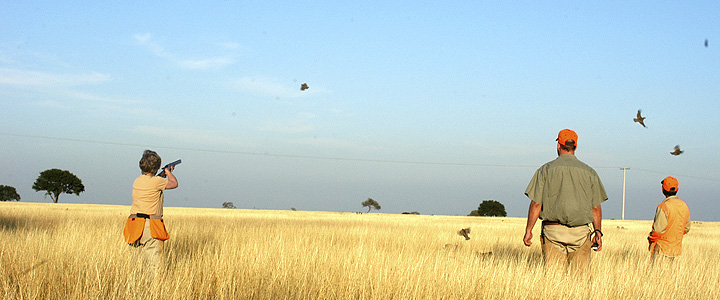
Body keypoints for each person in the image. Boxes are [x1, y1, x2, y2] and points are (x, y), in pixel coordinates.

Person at [523, 129, 608, 273]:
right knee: (580, 282)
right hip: (580, 233)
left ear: (558, 146)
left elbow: (536, 204)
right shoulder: (589, 172)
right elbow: (595, 208)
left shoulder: (545, 170)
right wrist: (598, 232)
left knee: (553, 281)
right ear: (575, 146)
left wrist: (528, 230)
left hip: (552, 232)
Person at [122, 150, 178, 271]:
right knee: (153, 265)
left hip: (134, 224)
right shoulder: (157, 181)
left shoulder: (137, 180)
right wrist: (168, 172)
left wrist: (161, 175)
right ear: (157, 167)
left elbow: (151, 183)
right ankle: (153, 289)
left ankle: (135, 287)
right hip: (150, 225)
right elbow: (174, 184)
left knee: (137, 264)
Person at [648, 176, 690, 263]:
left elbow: (658, 231)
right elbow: (686, 228)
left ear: (663, 189)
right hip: (675, 250)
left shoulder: (664, 206)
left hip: (661, 249)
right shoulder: (684, 206)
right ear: (677, 189)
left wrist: (650, 239)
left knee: (656, 274)